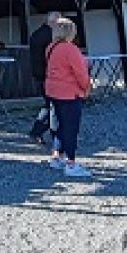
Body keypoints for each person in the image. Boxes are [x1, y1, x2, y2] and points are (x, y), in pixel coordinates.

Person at [45, 17, 92, 177]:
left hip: (53, 91)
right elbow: (81, 72)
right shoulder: (71, 49)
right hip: (69, 92)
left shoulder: (51, 48)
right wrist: (87, 88)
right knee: (71, 127)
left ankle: (56, 156)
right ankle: (70, 163)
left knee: (60, 126)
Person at [28, 11, 61, 145]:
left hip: (38, 74)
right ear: (54, 22)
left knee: (48, 105)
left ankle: (39, 131)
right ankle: (42, 132)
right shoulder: (52, 37)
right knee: (54, 106)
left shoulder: (35, 34)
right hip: (50, 75)